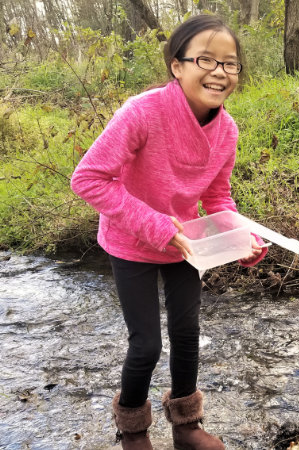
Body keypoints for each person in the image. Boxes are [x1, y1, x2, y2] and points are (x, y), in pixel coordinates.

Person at [71, 15, 266, 450]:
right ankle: (133, 429)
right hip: (131, 240)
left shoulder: (227, 130)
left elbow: (218, 199)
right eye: (205, 59)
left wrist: (241, 238)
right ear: (177, 66)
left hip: (186, 245)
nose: (219, 72)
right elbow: (88, 178)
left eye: (230, 64)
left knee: (187, 333)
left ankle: (186, 424)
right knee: (146, 345)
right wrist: (157, 226)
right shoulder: (142, 112)